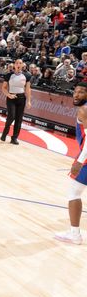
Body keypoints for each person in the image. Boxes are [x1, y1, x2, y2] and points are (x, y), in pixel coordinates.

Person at [54, 82, 87, 244]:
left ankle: (75, 234)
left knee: (74, 193)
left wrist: (80, 161)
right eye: (75, 91)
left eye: (81, 92)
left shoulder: (84, 110)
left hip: (86, 159)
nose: (76, 94)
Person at [0, 59, 32, 145]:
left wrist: (29, 101)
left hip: (21, 98)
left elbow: (28, 89)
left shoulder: (27, 75)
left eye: (20, 63)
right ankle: (5, 132)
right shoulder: (9, 75)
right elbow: (3, 87)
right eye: (17, 63)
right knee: (11, 117)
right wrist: (8, 95)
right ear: (14, 65)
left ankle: (14, 138)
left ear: (22, 65)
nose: (18, 64)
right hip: (11, 98)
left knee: (19, 119)